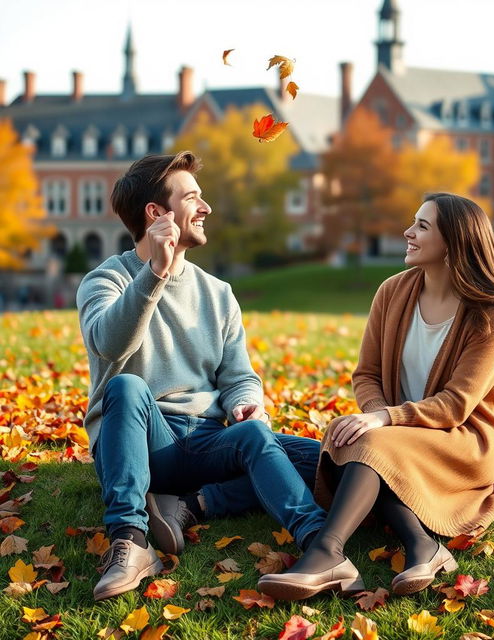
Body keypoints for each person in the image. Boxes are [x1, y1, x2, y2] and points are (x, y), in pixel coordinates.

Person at [77, 151, 326, 601]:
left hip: (210, 440)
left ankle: (197, 505)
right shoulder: (106, 280)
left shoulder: (217, 293)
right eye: (192, 197)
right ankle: (131, 541)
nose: (206, 207)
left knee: (332, 460)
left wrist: (244, 403)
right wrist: (154, 274)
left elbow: (239, 376)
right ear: (157, 214)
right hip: (145, 442)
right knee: (126, 386)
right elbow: (110, 344)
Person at [258, 192, 494, 600]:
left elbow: (456, 404)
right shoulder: (392, 291)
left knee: (363, 447)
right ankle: (423, 546)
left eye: (422, 225)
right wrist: (376, 415)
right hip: (395, 436)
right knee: (353, 443)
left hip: (461, 442)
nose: (408, 232)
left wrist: (383, 422)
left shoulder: (492, 315)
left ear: (454, 242)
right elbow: (365, 374)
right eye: (412, 222)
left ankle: (327, 550)